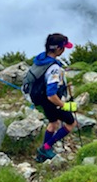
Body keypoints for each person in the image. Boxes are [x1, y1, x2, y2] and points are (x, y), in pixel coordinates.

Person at [32, 33, 77, 162]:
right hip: (50, 101)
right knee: (71, 123)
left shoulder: (41, 59)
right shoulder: (54, 68)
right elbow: (51, 94)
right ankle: (45, 148)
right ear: (58, 48)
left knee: (53, 123)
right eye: (63, 48)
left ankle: (42, 155)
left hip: (40, 98)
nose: (64, 51)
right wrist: (65, 105)